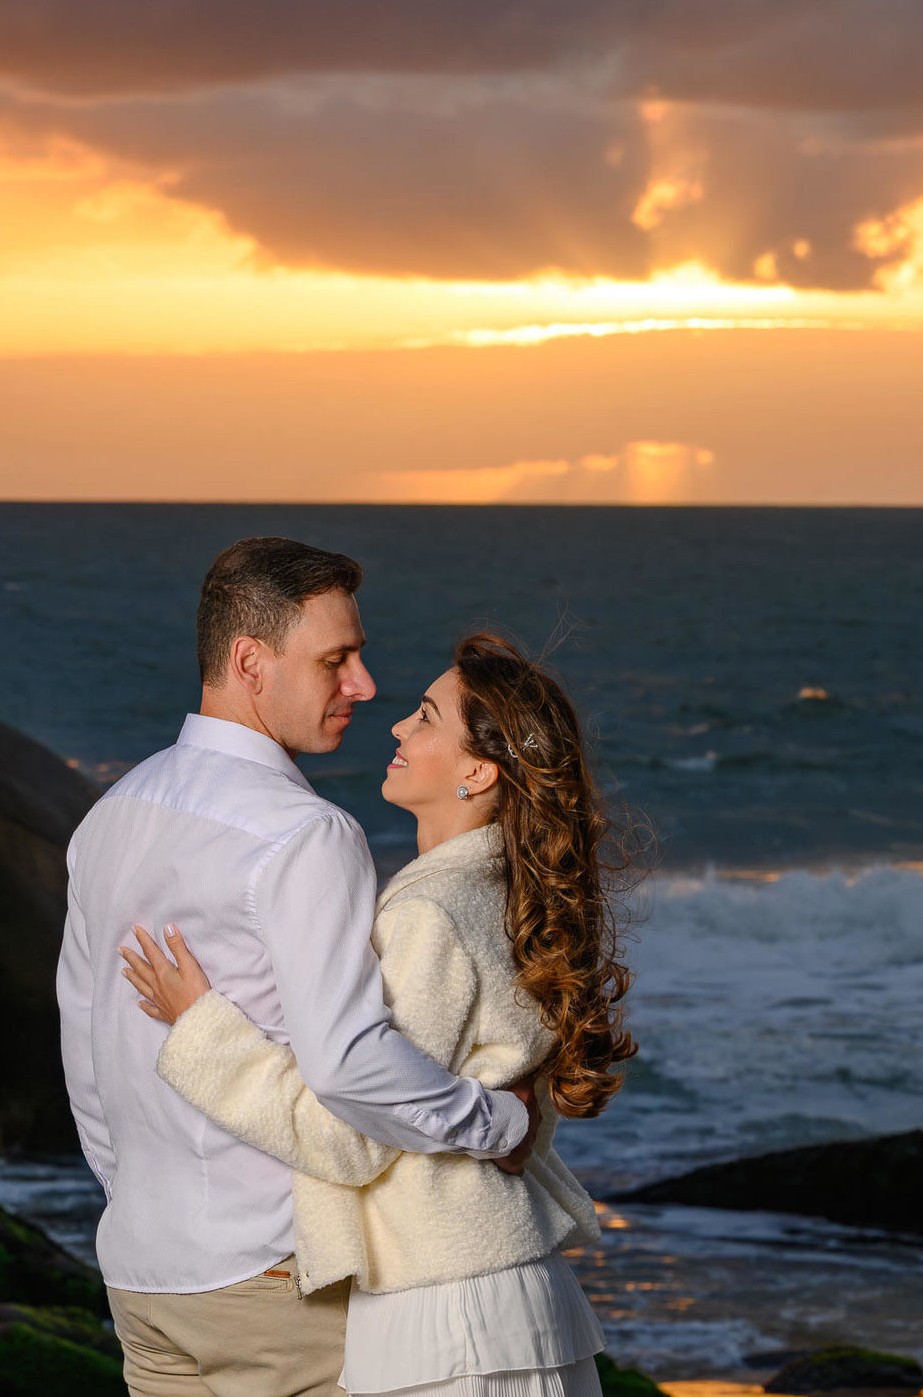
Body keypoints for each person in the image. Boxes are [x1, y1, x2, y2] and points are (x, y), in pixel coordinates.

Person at [57, 539, 537, 1397]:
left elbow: (87, 1054)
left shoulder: (109, 816)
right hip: (274, 1278)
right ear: (250, 661)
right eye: (336, 660)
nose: (363, 685)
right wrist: (497, 1125)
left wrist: (145, 1207)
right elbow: (350, 1068)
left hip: (140, 1273)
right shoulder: (307, 835)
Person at [121, 632, 636, 1397]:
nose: (397, 727)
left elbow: (353, 1137)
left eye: (426, 718)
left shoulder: (430, 911)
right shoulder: (510, 899)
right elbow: (508, 1094)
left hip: (448, 1316)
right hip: (507, 1294)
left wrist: (202, 1031)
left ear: (477, 771)